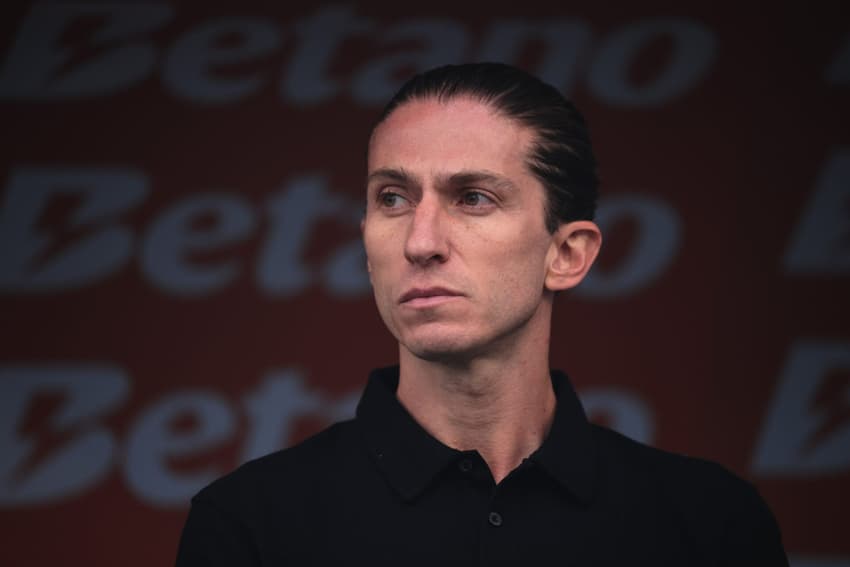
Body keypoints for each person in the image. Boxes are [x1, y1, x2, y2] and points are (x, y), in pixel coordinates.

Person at [176, 63, 788, 566]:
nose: (421, 242)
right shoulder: (249, 526)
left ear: (567, 254)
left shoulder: (712, 525)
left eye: (473, 198)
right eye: (392, 198)